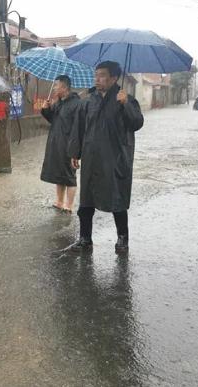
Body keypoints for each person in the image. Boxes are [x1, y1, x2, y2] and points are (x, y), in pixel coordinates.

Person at [67, 61, 144, 253]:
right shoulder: (88, 101)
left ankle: (122, 238)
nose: (97, 79)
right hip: (91, 158)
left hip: (115, 158)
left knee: (117, 198)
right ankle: (85, 238)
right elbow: (79, 128)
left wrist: (126, 104)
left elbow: (137, 123)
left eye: (102, 75)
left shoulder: (125, 99)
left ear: (113, 78)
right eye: (96, 75)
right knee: (86, 200)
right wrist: (75, 152)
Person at [40, 75, 80, 213]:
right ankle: (59, 202)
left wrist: (76, 149)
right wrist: (46, 109)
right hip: (56, 143)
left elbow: (78, 127)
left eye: (57, 85)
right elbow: (53, 120)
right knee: (59, 174)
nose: (54, 88)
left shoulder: (76, 104)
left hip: (69, 145)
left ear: (64, 87)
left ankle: (69, 205)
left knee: (69, 175)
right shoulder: (59, 103)